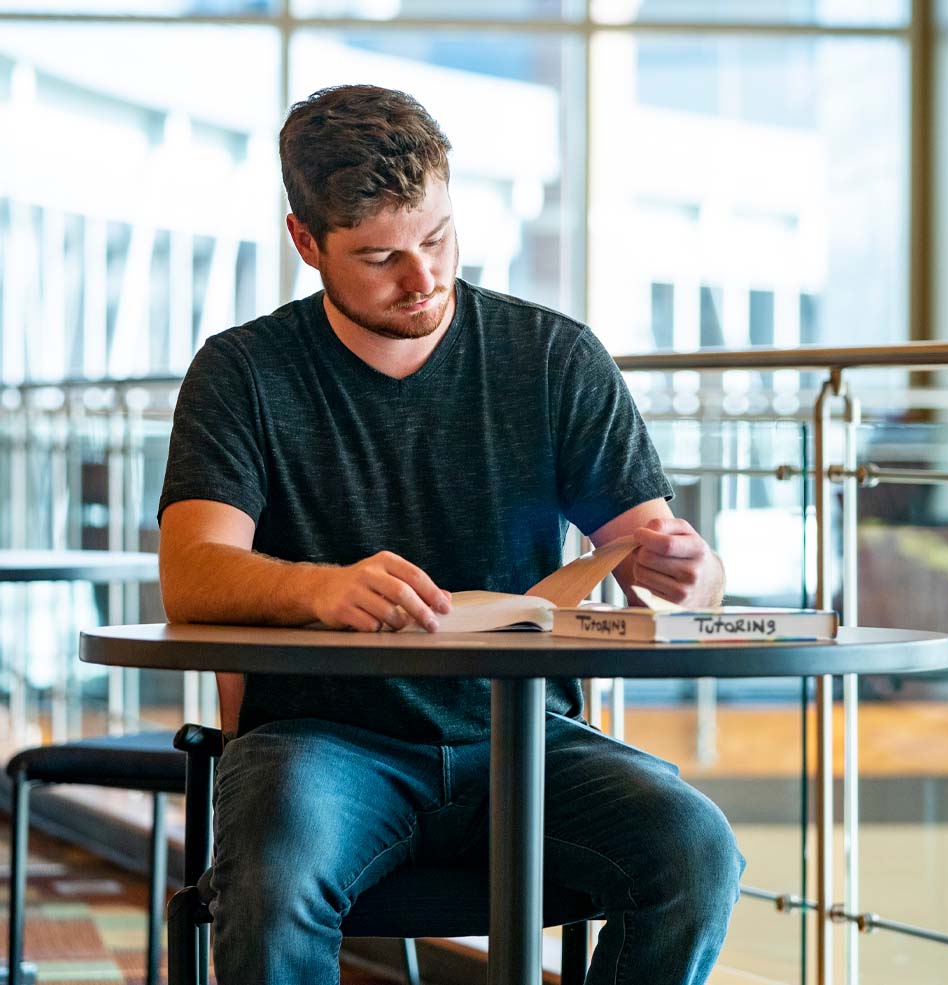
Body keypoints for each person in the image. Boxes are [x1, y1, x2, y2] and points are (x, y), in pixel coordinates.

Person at [158, 83, 744, 985]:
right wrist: (320, 586)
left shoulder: (552, 357)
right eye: (381, 256)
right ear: (306, 242)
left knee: (695, 852)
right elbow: (193, 573)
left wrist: (689, 576)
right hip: (324, 741)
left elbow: (665, 560)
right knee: (273, 882)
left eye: (436, 238)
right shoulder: (244, 372)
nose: (424, 278)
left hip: (526, 738)